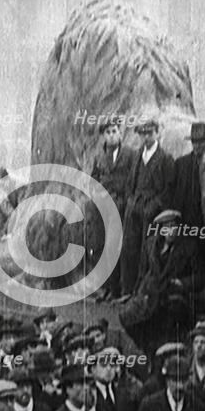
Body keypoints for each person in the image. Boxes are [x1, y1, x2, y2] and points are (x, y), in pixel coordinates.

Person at [120, 209, 205, 357]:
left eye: (174, 227)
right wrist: (136, 294)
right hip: (149, 293)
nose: (171, 231)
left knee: (167, 322)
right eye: (166, 227)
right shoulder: (150, 244)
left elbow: (200, 278)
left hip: (173, 295)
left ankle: (161, 354)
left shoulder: (189, 247)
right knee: (126, 316)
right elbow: (142, 272)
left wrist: (181, 283)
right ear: (160, 229)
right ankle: (149, 349)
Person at [118, 115, 175, 298]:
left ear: (157, 133)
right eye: (142, 134)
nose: (146, 137)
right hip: (134, 206)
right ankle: (127, 290)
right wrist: (130, 201)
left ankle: (141, 292)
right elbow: (129, 183)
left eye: (149, 133)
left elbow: (168, 189)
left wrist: (154, 206)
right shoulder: (136, 156)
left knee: (146, 250)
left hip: (152, 210)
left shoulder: (166, 159)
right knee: (129, 247)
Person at [90, 117, 136, 301]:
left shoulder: (130, 154)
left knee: (117, 247)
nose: (111, 136)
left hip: (121, 206)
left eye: (114, 131)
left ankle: (121, 289)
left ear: (120, 133)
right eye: (108, 132)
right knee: (101, 246)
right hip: (103, 207)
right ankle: (107, 288)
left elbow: (133, 180)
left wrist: (125, 199)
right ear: (103, 136)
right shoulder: (99, 157)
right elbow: (93, 180)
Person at [172, 121, 205, 230]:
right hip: (186, 222)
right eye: (195, 141)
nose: (198, 145)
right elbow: (173, 193)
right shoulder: (180, 164)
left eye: (201, 141)